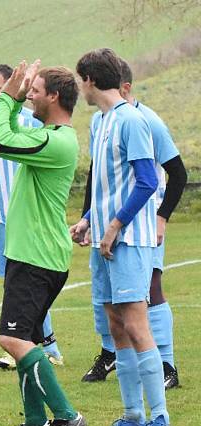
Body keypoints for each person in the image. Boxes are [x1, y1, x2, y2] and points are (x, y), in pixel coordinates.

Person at [70, 48, 173, 426]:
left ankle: (160, 418)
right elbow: (106, 185)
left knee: (135, 322)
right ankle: (132, 416)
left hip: (129, 239)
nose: (81, 89)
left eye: (82, 81)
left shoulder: (132, 120)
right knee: (115, 326)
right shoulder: (100, 123)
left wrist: (114, 225)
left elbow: (148, 182)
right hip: (105, 238)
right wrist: (89, 221)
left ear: (91, 81)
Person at [0, 61, 86, 426]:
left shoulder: (57, 141)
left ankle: (66, 416)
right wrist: (13, 97)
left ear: (54, 97)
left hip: (38, 258)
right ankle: (33, 422)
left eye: (35, 89)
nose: (30, 93)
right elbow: (7, 136)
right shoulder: (50, 135)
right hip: (31, 255)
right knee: (26, 337)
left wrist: (9, 96)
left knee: (11, 338)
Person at [79, 59, 187, 389]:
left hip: (140, 223)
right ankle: (111, 352)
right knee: (109, 299)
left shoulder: (146, 121)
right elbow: (97, 177)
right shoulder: (100, 122)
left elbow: (178, 174)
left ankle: (167, 365)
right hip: (108, 223)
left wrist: (161, 217)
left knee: (150, 291)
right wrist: (87, 218)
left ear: (126, 87)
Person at [0, 64, 64, 371]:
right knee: (13, 285)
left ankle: (35, 344)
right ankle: (35, 343)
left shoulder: (31, 122)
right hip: (3, 218)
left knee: (26, 286)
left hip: (31, 218)